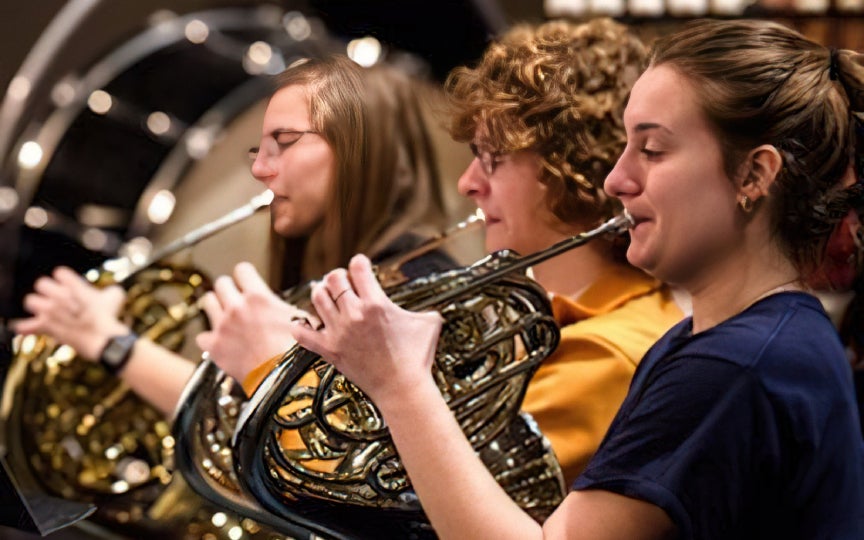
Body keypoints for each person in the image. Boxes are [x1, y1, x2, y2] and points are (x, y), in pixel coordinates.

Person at [290, 18, 864, 539]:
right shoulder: (720, 341)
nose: (614, 180)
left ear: (753, 174)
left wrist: (398, 384)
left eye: (653, 149)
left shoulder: (736, 368)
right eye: (624, 147)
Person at [206, 18, 683, 490]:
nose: (468, 182)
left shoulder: (608, 352)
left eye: (493, 158)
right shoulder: (549, 319)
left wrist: (268, 366)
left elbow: (409, 507)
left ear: (569, 165)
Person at [13, 54, 453, 415]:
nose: (261, 169)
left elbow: (291, 441)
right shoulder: (337, 278)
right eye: (259, 149)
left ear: (360, 153)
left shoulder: (417, 291)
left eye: (286, 141)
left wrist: (113, 344)